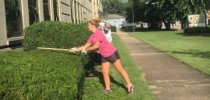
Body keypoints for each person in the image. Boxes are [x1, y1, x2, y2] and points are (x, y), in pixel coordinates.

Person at [71, 19, 134, 94]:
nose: (87, 26)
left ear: (93, 26)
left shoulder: (98, 33)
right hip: (103, 55)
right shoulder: (92, 36)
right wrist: (76, 49)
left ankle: (129, 84)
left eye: (88, 25)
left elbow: (97, 46)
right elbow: (86, 45)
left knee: (120, 69)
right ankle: (108, 89)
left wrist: (87, 50)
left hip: (111, 53)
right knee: (104, 72)